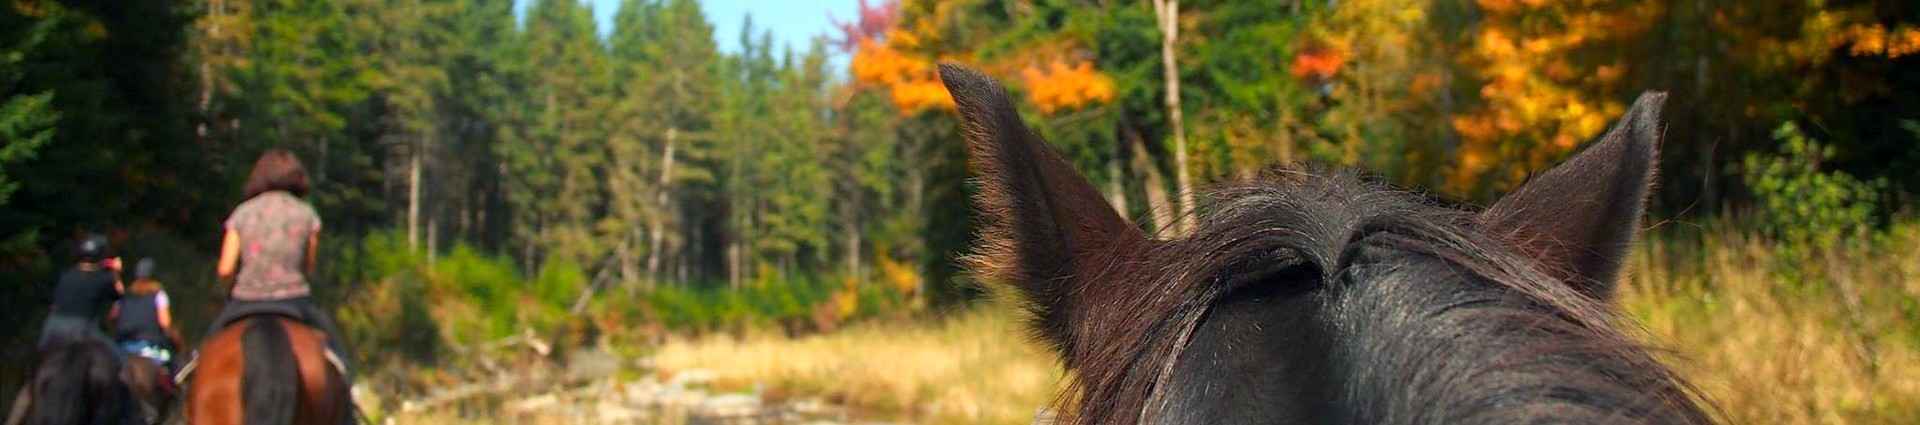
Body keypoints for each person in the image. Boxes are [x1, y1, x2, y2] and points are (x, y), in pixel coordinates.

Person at [200, 149, 351, 377]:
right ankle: (349, 402)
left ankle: (183, 387)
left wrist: (225, 290)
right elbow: (309, 267)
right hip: (294, 299)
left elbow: (225, 268)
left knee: (203, 355)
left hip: (245, 299)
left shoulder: (242, 213)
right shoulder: (307, 214)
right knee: (337, 358)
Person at [40, 234, 123, 350]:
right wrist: (116, 272)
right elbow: (119, 296)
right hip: (82, 330)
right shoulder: (104, 278)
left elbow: (53, 305)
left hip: (51, 329)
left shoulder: (65, 275)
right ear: (102, 256)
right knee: (119, 358)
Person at [111, 258, 184, 373]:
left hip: (122, 346)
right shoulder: (159, 295)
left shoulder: (125, 295)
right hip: (149, 347)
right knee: (173, 370)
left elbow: (113, 316)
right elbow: (164, 323)